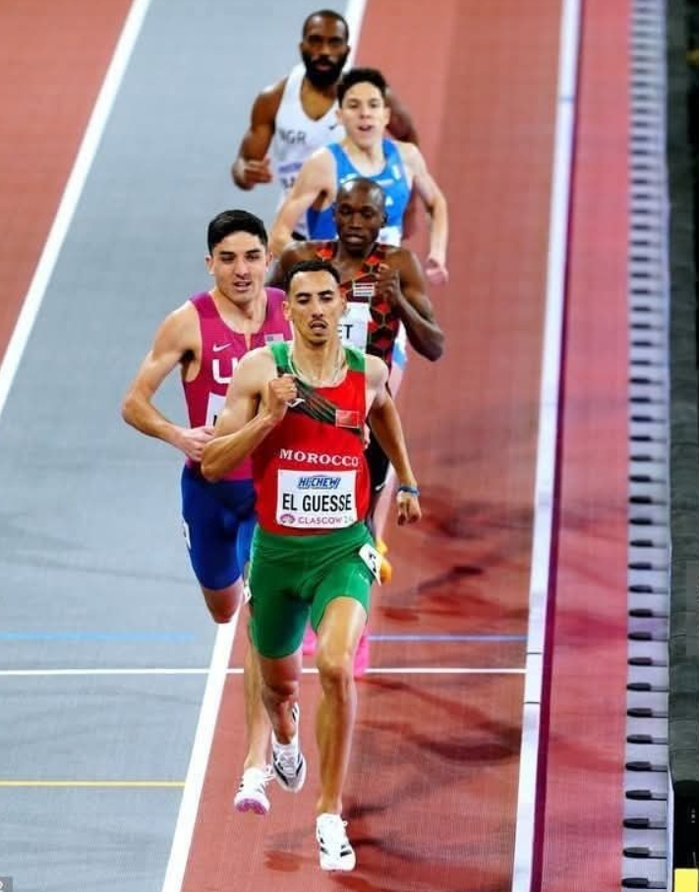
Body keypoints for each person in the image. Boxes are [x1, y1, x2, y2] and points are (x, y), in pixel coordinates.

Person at [200, 259, 422, 871]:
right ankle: (285, 738)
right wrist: (269, 416)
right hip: (275, 554)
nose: (319, 309)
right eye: (306, 300)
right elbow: (215, 463)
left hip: (342, 551)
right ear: (288, 309)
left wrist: (406, 480)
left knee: (334, 664)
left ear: (340, 305)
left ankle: (329, 814)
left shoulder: (368, 370)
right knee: (277, 687)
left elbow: (385, 414)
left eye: (329, 298)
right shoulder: (259, 370)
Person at [121, 209, 291, 816]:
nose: (242, 270)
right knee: (222, 608)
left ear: (268, 257)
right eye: (229, 259)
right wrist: (177, 435)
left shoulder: (291, 312)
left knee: (256, 618)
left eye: (252, 257)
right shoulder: (187, 323)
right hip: (210, 488)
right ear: (210, 262)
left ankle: (256, 765)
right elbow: (133, 403)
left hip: (270, 495)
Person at [268, 178, 444, 672]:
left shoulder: (397, 266)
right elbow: (260, 317)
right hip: (300, 417)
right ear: (334, 214)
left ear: (383, 217)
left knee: (356, 529)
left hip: (361, 422)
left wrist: (401, 302)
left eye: (367, 215)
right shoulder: (304, 262)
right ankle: (301, 612)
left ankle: (352, 629)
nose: (355, 223)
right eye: (346, 212)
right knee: (297, 519)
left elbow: (434, 346)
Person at [231, 9, 419, 238]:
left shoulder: (371, 97)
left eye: (334, 43)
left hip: (356, 233)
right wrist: (245, 173)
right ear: (302, 47)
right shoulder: (273, 99)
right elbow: (243, 165)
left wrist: (409, 205)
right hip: (297, 227)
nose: (324, 51)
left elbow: (408, 136)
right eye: (316, 41)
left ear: (346, 50)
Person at [269, 67, 449, 285]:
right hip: (332, 298)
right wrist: (318, 271)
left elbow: (436, 203)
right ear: (340, 116)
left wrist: (437, 254)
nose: (365, 113)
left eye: (373, 105)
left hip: (383, 294)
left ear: (386, 115)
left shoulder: (407, 157)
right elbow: (278, 236)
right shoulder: (323, 164)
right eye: (354, 105)